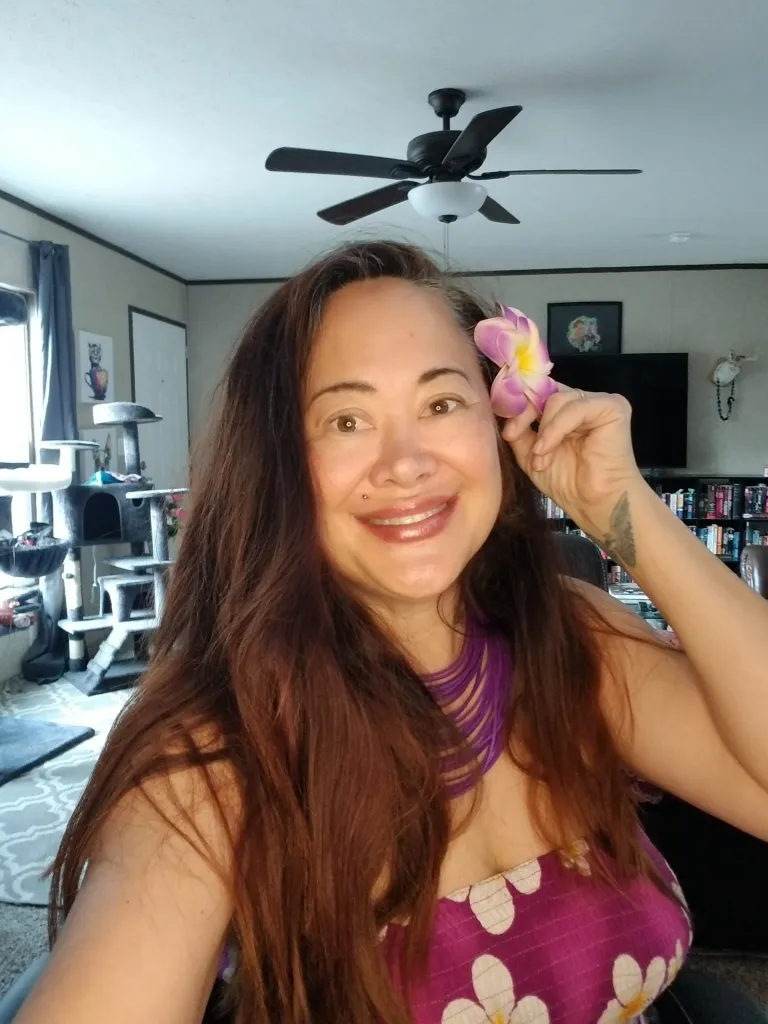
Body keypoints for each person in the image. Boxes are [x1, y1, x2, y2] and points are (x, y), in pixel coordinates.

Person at [13, 242, 768, 1024]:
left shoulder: (574, 638)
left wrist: (626, 509)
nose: (406, 463)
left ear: (502, 423)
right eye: (347, 419)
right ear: (278, 465)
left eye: (441, 405)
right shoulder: (215, 760)